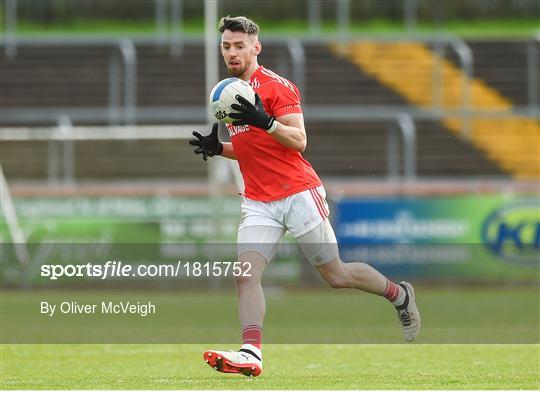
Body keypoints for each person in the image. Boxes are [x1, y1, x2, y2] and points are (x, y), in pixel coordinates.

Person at [189, 15, 421, 378]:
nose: (232, 52)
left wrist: (264, 119)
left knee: (336, 275)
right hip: (258, 200)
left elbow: (298, 141)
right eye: (226, 46)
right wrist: (220, 148)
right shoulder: (230, 90)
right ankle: (251, 353)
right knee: (244, 275)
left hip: (297, 192)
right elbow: (253, 147)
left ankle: (399, 295)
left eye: (239, 45)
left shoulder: (276, 86)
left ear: (256, 47)